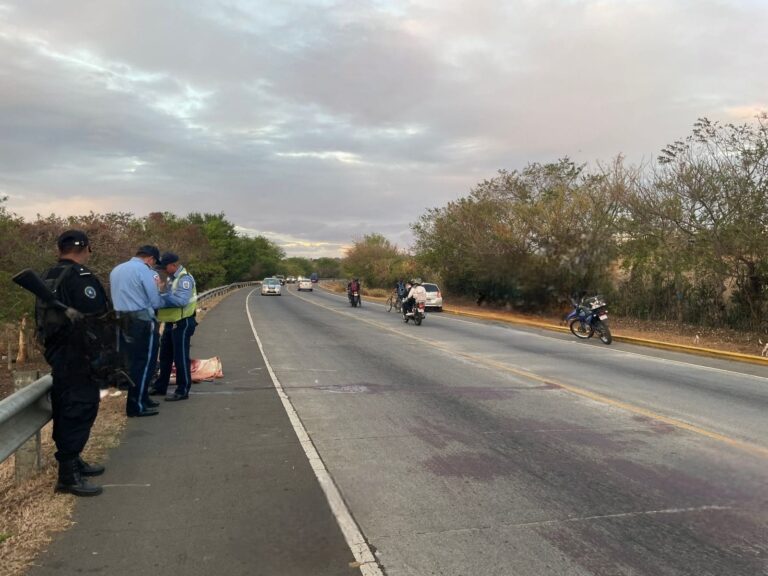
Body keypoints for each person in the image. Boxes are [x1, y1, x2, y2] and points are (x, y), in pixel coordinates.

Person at [38, 230, 111, 496]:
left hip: (58, 351)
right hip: (78, 354)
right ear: (85, 248)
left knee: (67, 403)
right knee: (79, 407)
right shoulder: (80, 278)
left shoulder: (47, 275)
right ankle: (67, 475)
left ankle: (73, 458)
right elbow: (96, 317)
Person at [110, 245, 163, 417]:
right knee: (145, 362)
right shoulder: (146, 271)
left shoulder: (117, 270)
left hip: (121, 318)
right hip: (141, 320)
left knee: (131, 363)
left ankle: (143, 398)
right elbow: (154, 300)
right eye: (154, 262)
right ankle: (136, 405)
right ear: (151, 259)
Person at [148, 253, 197, 401]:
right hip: (171, 322)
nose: (163, 270)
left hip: (182, 322)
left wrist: (159, 297)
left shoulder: (184, 279)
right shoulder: (172, 278)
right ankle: (161, 385)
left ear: (173, 265)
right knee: (165, 356)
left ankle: (183, 389)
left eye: (165, 267)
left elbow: (181, 301)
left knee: (180, 357)